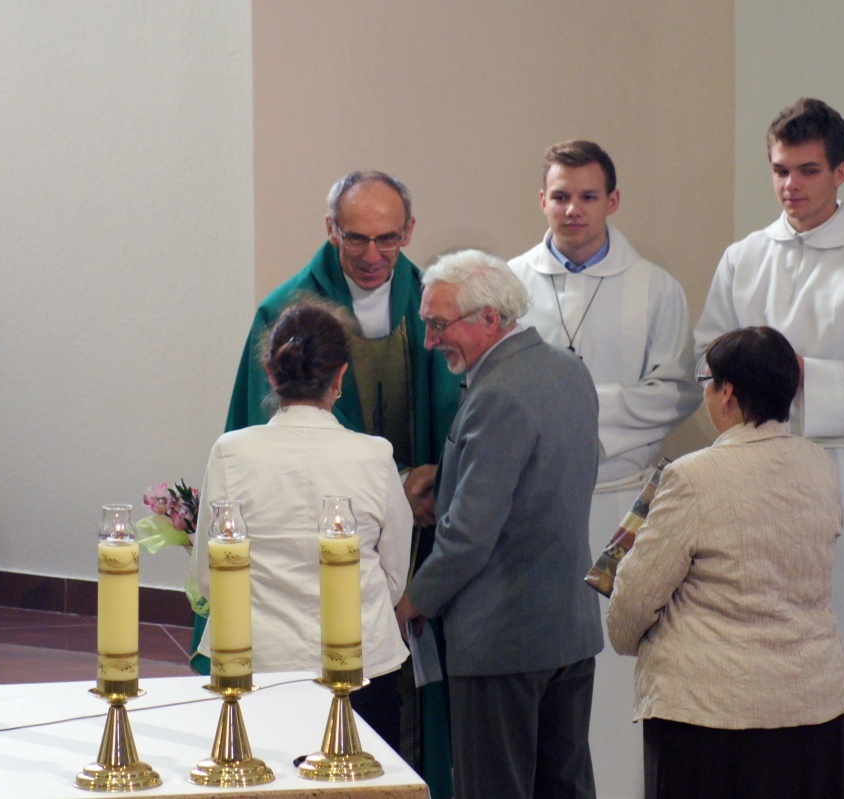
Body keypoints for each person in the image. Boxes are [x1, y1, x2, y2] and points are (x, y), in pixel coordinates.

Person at [693, 98, 844, 799]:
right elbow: (709, 356)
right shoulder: (744, 257)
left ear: (841, 172)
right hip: (751, 472)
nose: (790, 186)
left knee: (839, 633)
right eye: (779, 171)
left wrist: (800, 378)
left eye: (807, 171)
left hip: (834, 469)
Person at [211, 170, 458, 797]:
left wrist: (439, 483)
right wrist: (395, 488)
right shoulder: (286, 313)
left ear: (409, 231)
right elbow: (278, 441)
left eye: (388, 238)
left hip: (424, 522)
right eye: (357, 238)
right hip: (351, 561)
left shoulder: (432, 305)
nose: (373, 256)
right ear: (331, 230)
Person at [508, 140, 701, 796]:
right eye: (561, 196)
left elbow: (675, 392)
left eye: (588, 196)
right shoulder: (510, 284)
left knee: (617, 670)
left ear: (612, 201)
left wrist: (576, 415)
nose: (574, 209)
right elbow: (494, 391)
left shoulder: (655, 287)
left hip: (622, 504)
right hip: (537, 509)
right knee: (547, 666)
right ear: (542, 200)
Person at [607, 326, 844, 799]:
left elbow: (637, 597)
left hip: (711, 716)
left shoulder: (692, 477)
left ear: (727, 393)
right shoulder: (819, 465)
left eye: (707, 381)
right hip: (813, 703)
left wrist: (623, 638)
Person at [395, 249, 604, 799]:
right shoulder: (568, 370)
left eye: (439, 325)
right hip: (569, 630)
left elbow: (469, 535)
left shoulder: (496, 393)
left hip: (502, 641)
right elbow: (552, 480)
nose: (430, 342)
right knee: (565, 789)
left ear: (489, 318)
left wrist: (414, 600)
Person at [190, 301, 412, 752]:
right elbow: (392, 579)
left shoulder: (231, 453)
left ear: (270, 372)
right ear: (341, 377)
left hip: (259, 666)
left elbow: (207, 578)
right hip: (362, 669)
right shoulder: (375, 456)